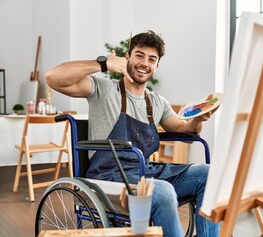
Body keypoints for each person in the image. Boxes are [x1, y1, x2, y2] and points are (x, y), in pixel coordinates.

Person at [45, 30, 220, 237]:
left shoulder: (156, 102)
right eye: (139, 55)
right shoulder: (103, 90)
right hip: (109, 177)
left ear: (156, 66)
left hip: (145, 172)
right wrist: (103, 64)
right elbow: (53, 77)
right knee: (162, 191)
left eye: (151, 59)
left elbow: (183, 128)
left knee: (211, 175)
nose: (144, 63)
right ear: (127, 57)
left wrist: (197, 119)